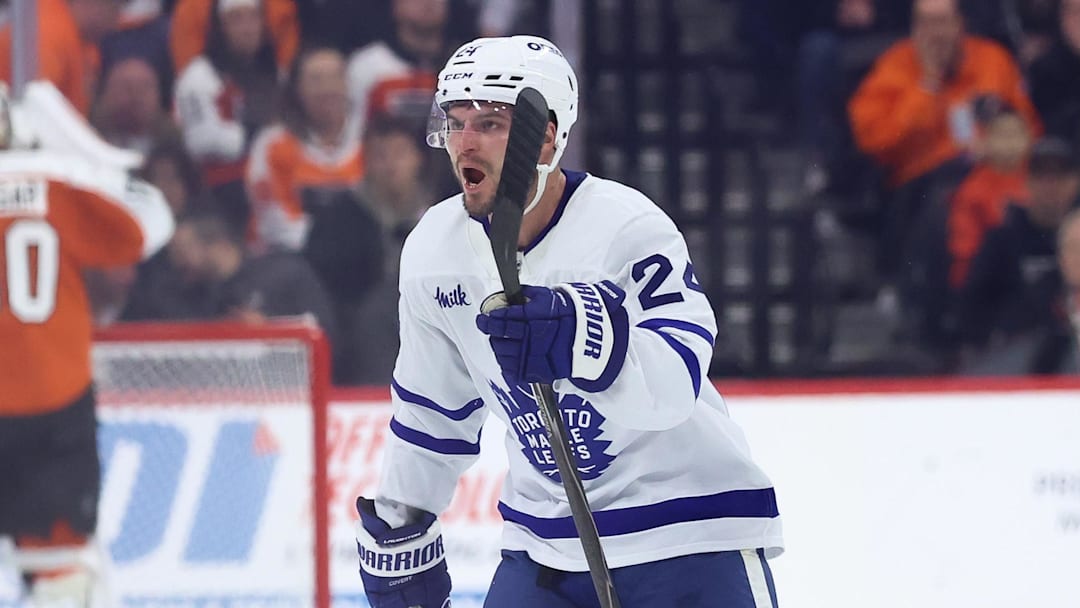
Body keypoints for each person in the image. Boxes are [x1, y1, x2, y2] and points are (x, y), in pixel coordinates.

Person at [353, 36, 783, 608]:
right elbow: (434, 409)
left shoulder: (627, 227)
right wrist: (401, 516)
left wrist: (582, 337)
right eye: (455, 122)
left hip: (689, 533)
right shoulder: (435, 248)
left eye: (490, 122)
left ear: (548, 134)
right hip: (545, 547)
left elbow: (676, 384)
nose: (465, 144)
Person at [0, 81, 174, 606]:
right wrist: (81, 161)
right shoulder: (55, 186)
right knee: (63, 569)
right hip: (58, 399)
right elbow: (151, 226)